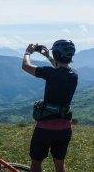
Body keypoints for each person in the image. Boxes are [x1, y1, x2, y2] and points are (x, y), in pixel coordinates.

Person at [22, 40, 78, 172]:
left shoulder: (50, 73)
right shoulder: (74, 75)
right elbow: (61, 68)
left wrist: (27, 52)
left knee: (36, 163)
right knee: (60, 164)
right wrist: (48, 56)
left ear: (57, 55)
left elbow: (26, 66)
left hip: (45, 128)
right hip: (64, 128)